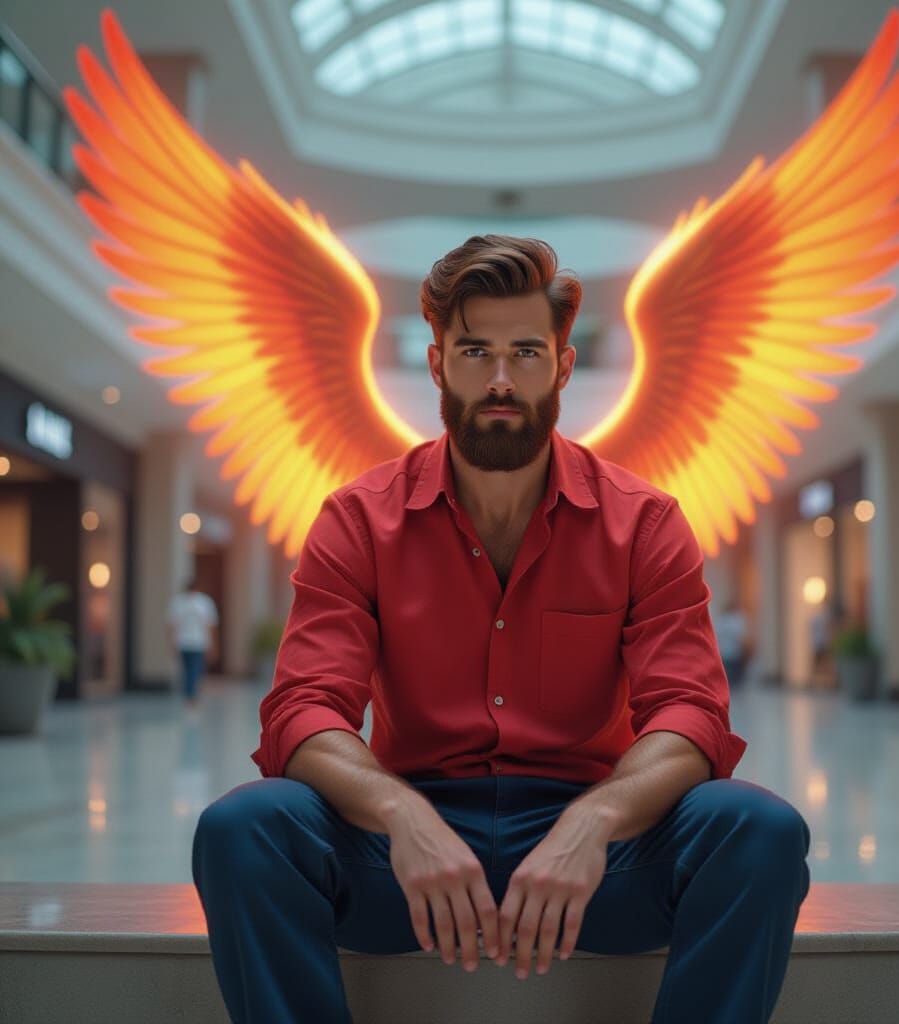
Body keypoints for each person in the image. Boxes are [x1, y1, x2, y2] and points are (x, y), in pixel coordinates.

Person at [192, 235, 810, 1024]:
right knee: (242, 829)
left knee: (760, 830)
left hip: (594, 860)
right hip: (409, 861)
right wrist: (400, 814)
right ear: (438, 363)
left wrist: (595, 819)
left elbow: (690, 715)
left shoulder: (644, 523)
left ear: (562, 364)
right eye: (475, 350)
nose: (500, 379)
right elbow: (303, 710)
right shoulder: (358, 519)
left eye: (525, 351)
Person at [166, 577, 219, 708]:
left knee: (189, 670)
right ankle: (191, 696)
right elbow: (211, 625)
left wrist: (172, 642)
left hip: (184, 642)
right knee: (193, 670)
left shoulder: (178, 602)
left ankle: (190, 695)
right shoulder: (204, 602)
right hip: (198, 642)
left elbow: (172, 625)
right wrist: (213, 644)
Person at [714, 599, 749, 688]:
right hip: (733, 651)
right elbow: (740, 636)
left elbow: (717, 634)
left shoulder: (721, 620)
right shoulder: (736, 620)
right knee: (735, 675)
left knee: (727, 675)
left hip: (724, 651)